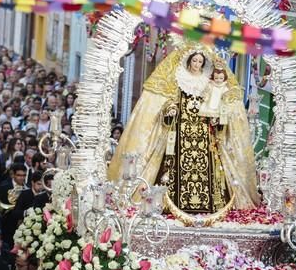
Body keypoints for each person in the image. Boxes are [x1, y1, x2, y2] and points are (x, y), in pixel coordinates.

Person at [108, 46, 259, 214]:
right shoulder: (180, 79)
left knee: (209, 166)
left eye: (200, 61)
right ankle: (172, 202)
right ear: (189, 61)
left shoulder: (208, 83)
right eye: (194, 60)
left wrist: (218, 116)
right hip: (181, 131)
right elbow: (170, 102)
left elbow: (216, 103)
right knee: (175, 165)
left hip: (204, 132)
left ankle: (208, 203)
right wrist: (170, 109)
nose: (197, 64)